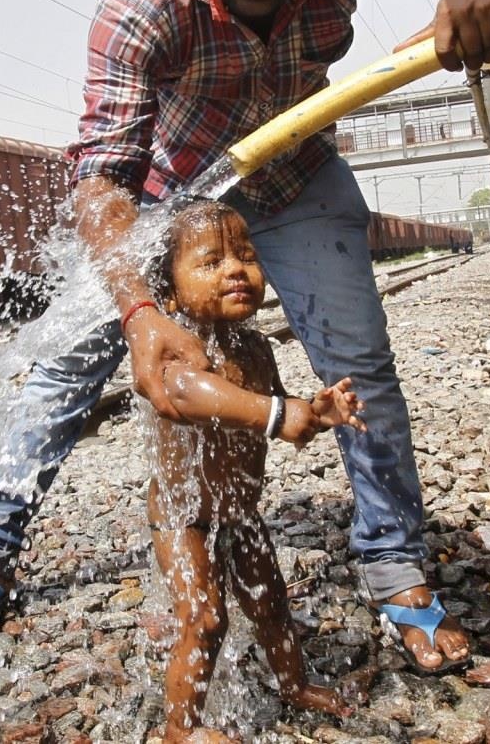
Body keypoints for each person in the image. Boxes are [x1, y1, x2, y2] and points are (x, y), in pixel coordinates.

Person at [0, 0, 490, 674]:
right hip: (171, 196)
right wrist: (141, 311)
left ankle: (396, 565)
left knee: (359, 370)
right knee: (64, 369)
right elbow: (99, 180)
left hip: (296, 176)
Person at [140, 198, 358, 742]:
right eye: (211, 262)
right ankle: (180, 730)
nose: (237, 269)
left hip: (241, 511)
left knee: (271, 603)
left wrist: (315, 412)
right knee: (206, 621)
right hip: (183, 516)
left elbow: (281, 408)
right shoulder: (179, 349)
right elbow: (190, 394)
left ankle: (294, 683)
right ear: (168, 294)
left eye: (246, 256)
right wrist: (277, 415)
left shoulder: (256, 345)